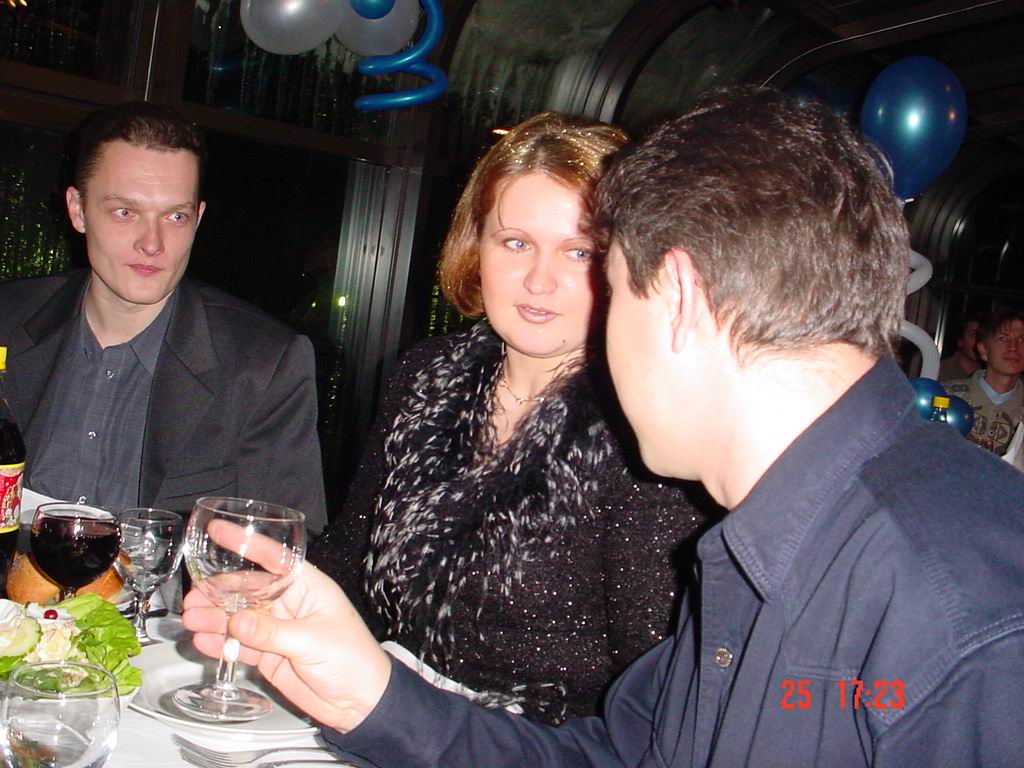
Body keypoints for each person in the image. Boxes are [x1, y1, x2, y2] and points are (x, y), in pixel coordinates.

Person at [183, 86, 1024, 766]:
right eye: (515, 243)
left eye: (603, 274)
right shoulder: (771, 535)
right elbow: (622, 754)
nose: (554, 288)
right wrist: (372, 697)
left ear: (676, 295)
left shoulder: (962, 608)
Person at [308, 111, 708, 724]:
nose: (539, 281)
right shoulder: (427, 375)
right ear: (477, 247)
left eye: (579, 251)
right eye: (516, 243)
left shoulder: (644, 428)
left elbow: (653, 699)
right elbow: (349, 557)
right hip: (382, 711)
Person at [0, 102, 326, 532]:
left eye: (175, 216)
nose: (152, 243)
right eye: (125, 212)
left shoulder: (261, 365)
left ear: (198, 219)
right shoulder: (8, 318)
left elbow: (282, 543)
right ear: (78, 210)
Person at [946, 308, 1024, 455]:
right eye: (1003, 339)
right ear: (983, 350)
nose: (1013, 348)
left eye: (1022, 340)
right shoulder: (946, 397)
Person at [936, 313, 982, 382]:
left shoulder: (989, 374)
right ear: (960, 341)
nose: (978, 341)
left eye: (982, 335)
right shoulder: (941, 371)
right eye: (973, 335)